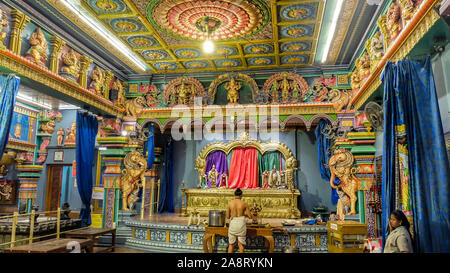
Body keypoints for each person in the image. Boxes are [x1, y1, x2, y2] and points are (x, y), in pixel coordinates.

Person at [226, 188, 252, 253]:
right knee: (241, 245)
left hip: (233, 224)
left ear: (234, 195)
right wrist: (244, 214)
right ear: (241, 195)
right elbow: (250, 216)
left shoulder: (230, 203)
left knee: (231, 245)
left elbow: (228, 216)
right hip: (241, 224)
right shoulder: (244, 203)